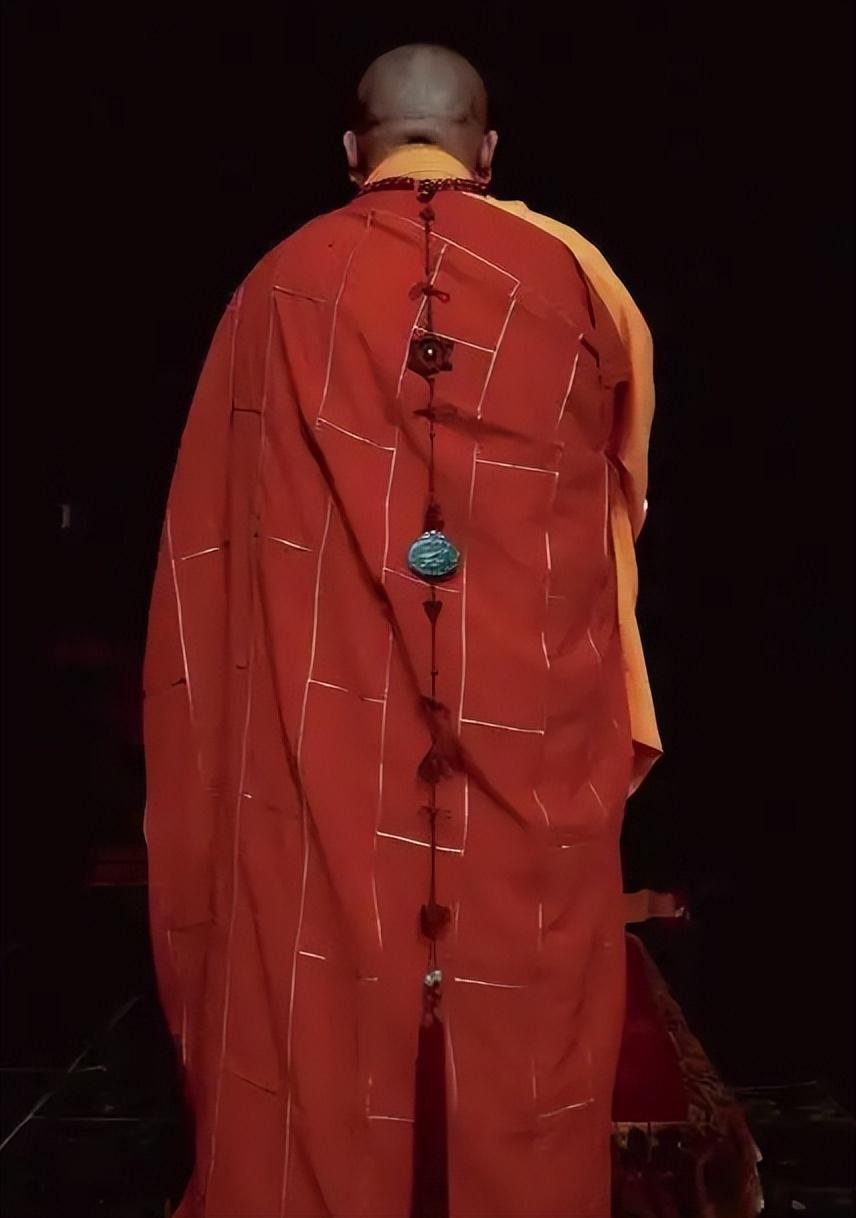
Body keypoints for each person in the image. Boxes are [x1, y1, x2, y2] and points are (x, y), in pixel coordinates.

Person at [144, 43, 661, 1218]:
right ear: (489, 150)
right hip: (523, 693)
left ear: (350, 151)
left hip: (328, 690)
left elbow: (220, 534)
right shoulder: (574, 279)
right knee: (528, 966)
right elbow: (616, 493)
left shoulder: (279, 283)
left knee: (313, 953)